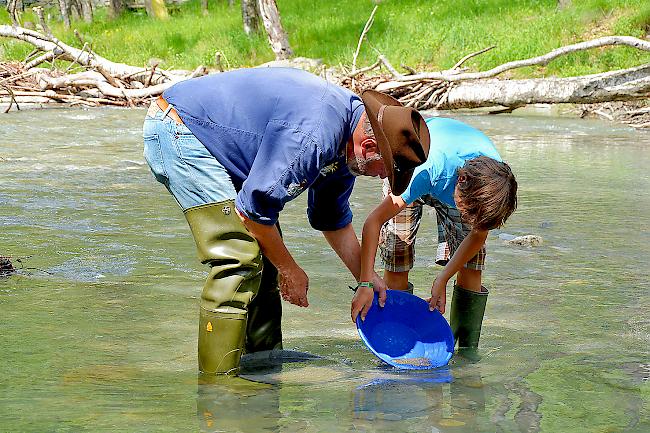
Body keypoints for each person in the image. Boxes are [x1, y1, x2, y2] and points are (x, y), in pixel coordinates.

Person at [142, 67, 429, 374]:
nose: (382, 178)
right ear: (369, 147)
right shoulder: (313, 136)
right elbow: (253, 211)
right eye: (384, 169)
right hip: (180, 129)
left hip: (223, 147)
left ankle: (260, 369)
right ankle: (218, 386)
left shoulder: (348, 146)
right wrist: (289, 269)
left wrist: (366, 278)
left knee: (264, 256)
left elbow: (332, 221)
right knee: (240, 258)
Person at [352, 113, 517, 360]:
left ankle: (465, 352)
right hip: (412, 166)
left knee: (472, 265)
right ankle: (395, 344)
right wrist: (365, 282)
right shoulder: (424, 172)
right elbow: (373, 222)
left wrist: (443, 278)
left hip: (464, 185)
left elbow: (477, 235)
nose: (471, 221)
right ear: (459, 183)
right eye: (467, 214)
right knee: (398, 255)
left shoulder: (492, 189)